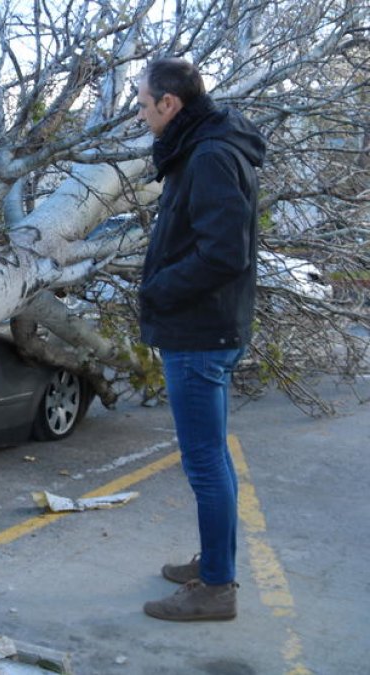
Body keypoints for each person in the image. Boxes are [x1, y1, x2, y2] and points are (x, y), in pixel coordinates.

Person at [134, 57, 266, 621]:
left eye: (143, 104)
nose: (140, 114)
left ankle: (216, 588)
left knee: (206, 463)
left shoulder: (209, 154)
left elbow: (224, 252)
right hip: (207, 326)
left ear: (171, 104)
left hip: (199, 332)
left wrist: (160, 290)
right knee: (213, 461)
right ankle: (214, 563)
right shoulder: (205, 144)